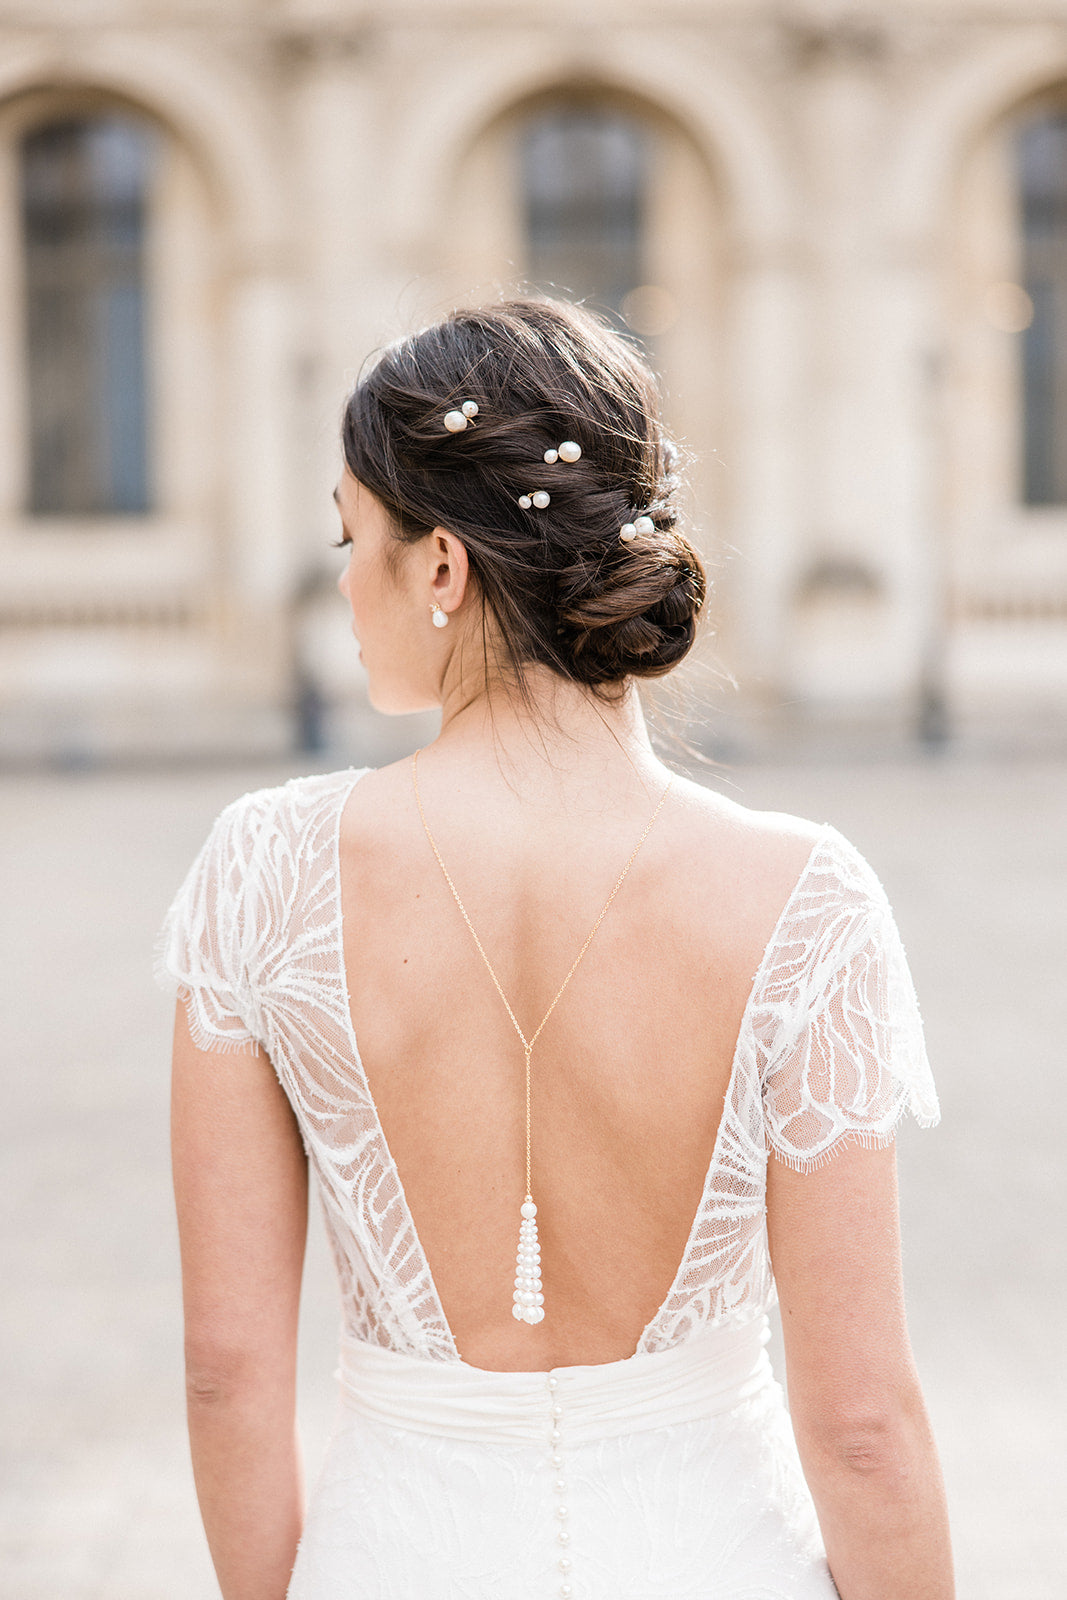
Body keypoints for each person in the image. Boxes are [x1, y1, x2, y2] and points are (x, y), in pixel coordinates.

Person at [158, 298, 954, 1600]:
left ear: (439, 570)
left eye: (349, 538)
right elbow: (863, 1426)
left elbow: (226, 1370)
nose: (342, 585)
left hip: (394, 1558)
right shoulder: (805, 898)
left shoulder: (265, 873)